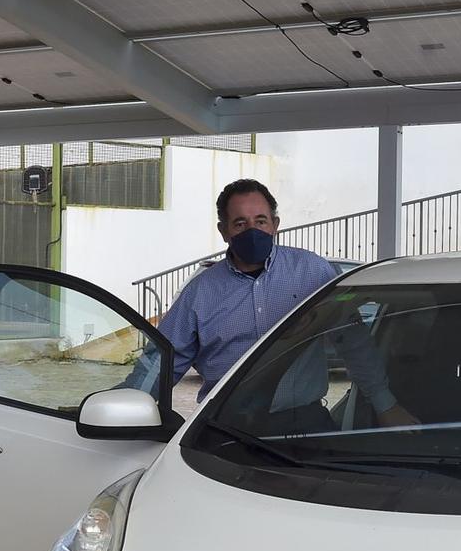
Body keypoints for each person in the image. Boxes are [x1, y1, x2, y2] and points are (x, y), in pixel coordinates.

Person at [154, 179, 412, 427]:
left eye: (261, 221)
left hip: (304, 424)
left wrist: (385, 405)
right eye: (240, 223)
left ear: (275, 224)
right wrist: (125, 408)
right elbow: (161, 360)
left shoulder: (312, 272)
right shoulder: (201, 291)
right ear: (223, 231)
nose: (252, 231)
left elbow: (352, 341)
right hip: (227, 425)